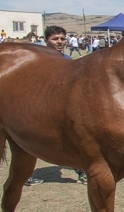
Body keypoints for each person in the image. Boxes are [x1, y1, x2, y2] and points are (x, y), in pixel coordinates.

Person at [25, 26, 87, 186]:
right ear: (46, 40)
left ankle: (81, 170)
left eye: (62, 39)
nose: (60, 42)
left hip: (63, 107)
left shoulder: (67, 59)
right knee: (29, 140)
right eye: (55, 39)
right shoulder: (36, 59)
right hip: (38, 107)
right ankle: (25, 174)